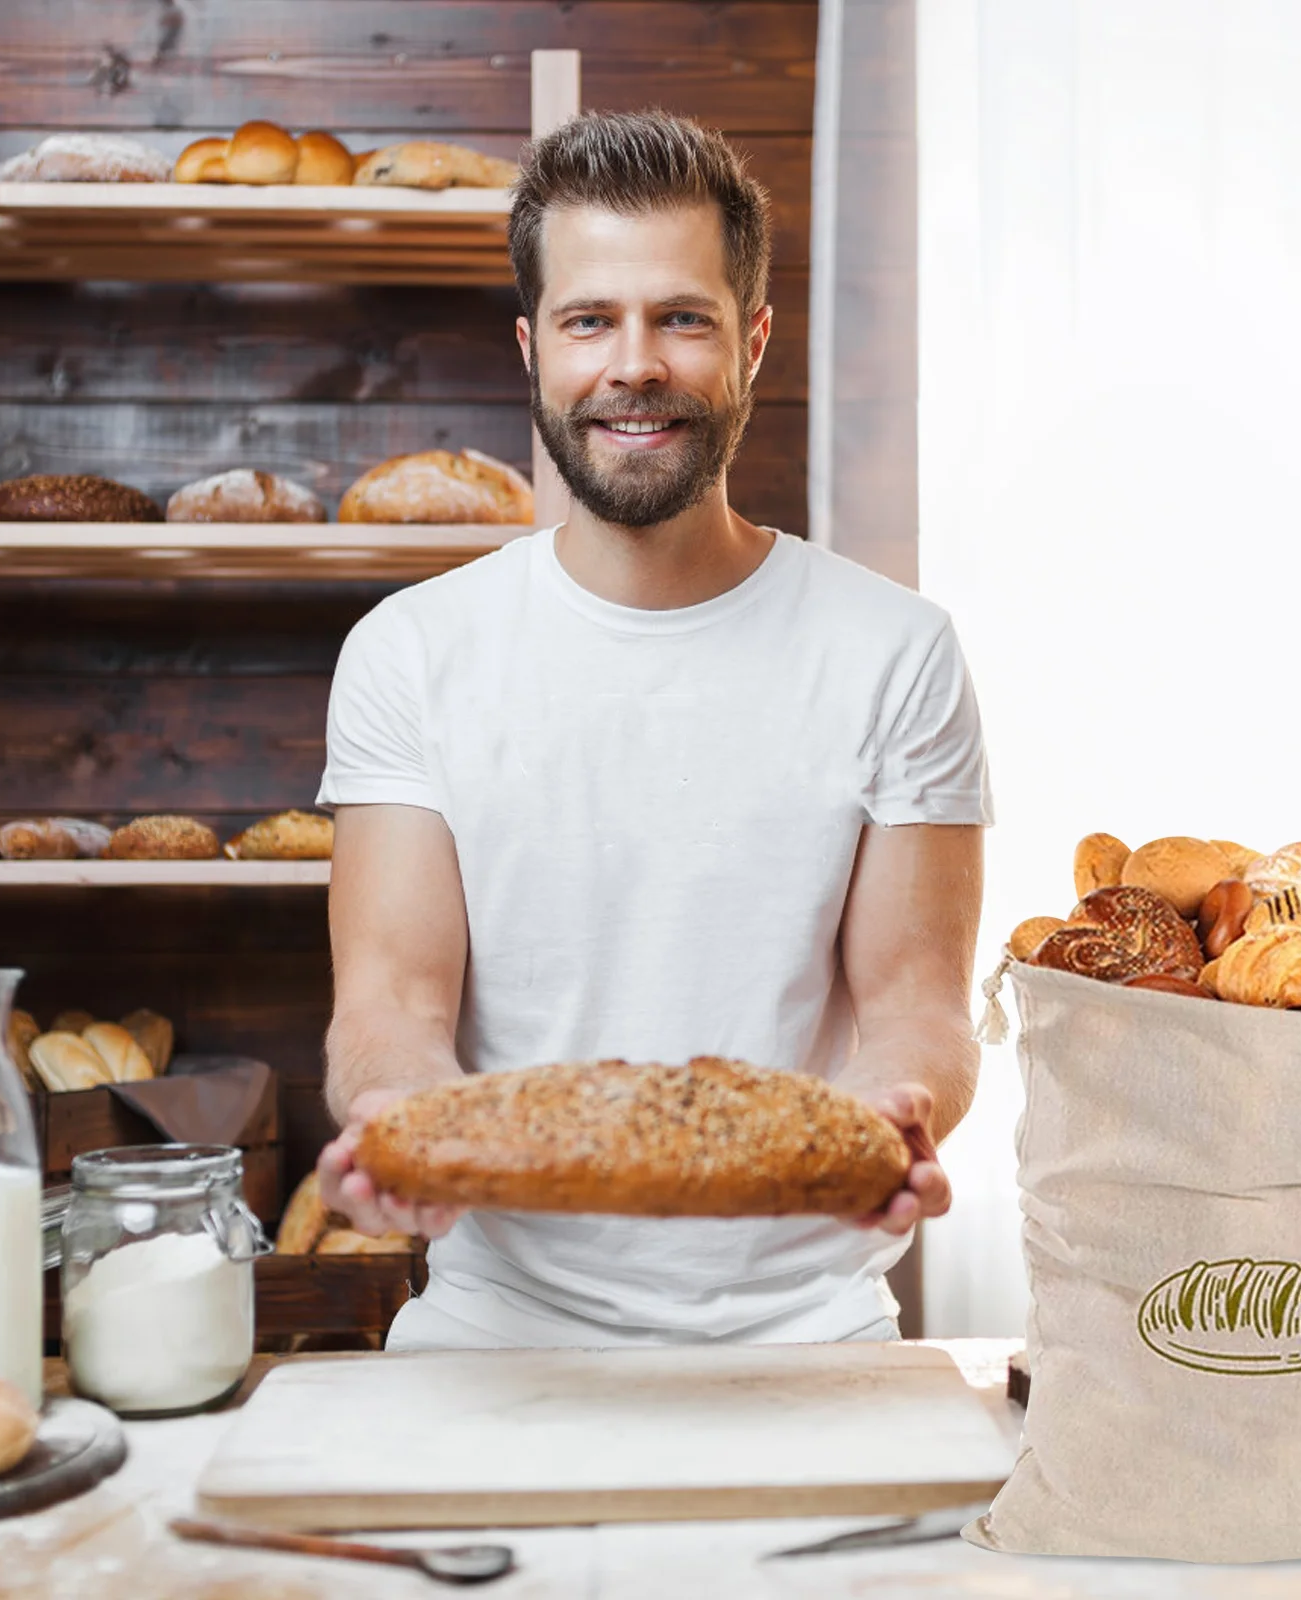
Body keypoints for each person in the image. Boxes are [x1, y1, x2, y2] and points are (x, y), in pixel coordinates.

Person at [315, 108, 994, 1349]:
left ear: (753, 342)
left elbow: (917, 1000)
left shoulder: (895, 650)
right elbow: (393, 1001)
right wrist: (394, 1116)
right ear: (533, 347)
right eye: (590, 320)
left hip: (809, 1328)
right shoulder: (412, 653)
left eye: (682, 317)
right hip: (495, 1326)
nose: (635, 365)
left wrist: (899, 1107)